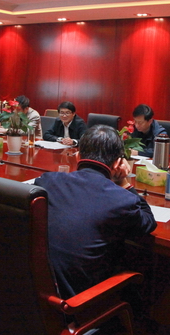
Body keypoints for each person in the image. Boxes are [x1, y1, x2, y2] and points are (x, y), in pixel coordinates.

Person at [34, 124, 157, 298]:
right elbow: (149, 222)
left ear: (78, 156)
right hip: (79, 303)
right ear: (118, 164)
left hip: (35, 295)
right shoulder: (121, 199)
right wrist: (124, 183)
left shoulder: (46, 182)